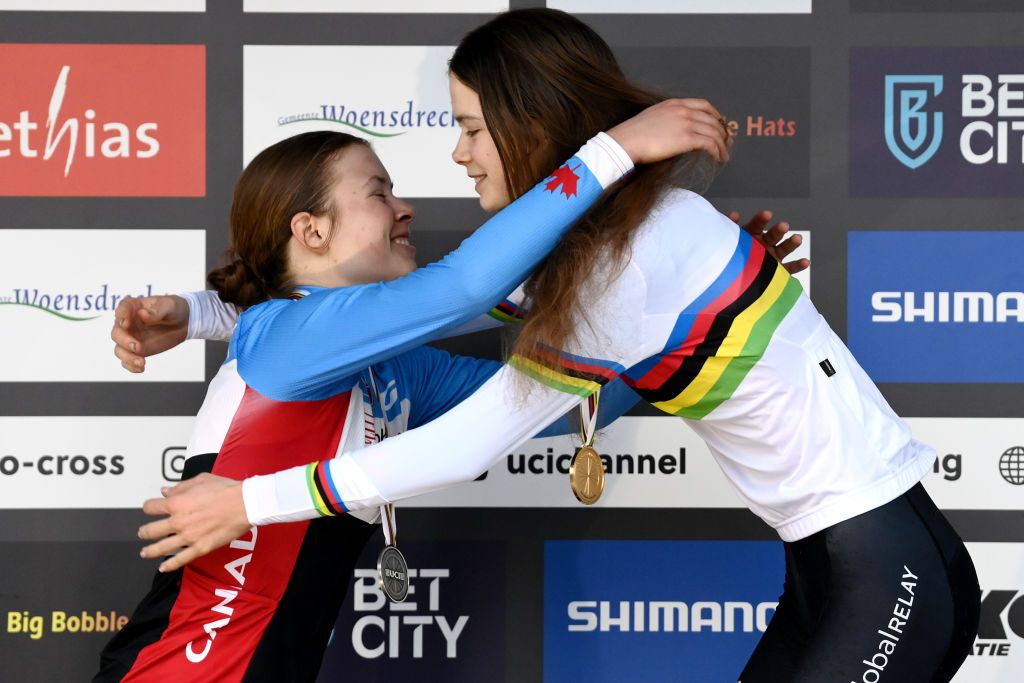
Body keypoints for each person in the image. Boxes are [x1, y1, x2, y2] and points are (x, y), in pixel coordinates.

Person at [137, 8, 981, 683]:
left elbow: (476, 415)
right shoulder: (615, 251)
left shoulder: (628, 257)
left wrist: (249, 500)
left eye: (470, 127)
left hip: (884, 570)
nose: (458, 155)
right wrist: (206, 311)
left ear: (528, 123)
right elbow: (430, 305)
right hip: (836, 565)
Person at [96, 98, 732, 681]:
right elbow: (465, 288)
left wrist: (712, 305)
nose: (406, 208)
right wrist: (613, 148)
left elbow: (573, 402)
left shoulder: (395, 372)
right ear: (311, 231)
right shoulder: (282, 333)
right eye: (378, 193)